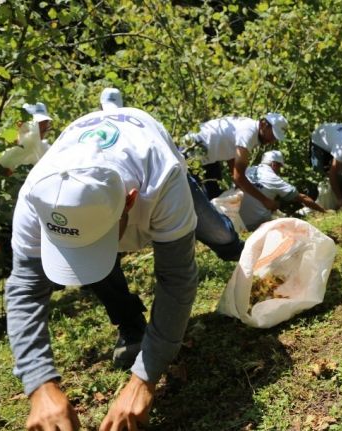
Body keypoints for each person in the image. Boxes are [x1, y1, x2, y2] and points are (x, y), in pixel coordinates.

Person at [5, 107, 199, 430]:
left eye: (97, 240)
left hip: (156, 160)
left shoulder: (162, 177)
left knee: (213, 229)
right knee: (97, 269)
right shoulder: (34, 196)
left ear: (130, 201)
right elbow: (24, 290)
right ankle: (132, 325)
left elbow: (177, 279)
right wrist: (40, 385)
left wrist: (144, 379)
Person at [86, 89, 243, 370]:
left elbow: (176, 277)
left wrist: (149, 368)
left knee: (220, 234)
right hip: (113, 197)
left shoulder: (156, 161)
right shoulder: (65, 178)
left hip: (170, 181)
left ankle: (243, 255)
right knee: (95, 261)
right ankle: (131, 324)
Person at [182, 113, 289, 209]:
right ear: (263, 124)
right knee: (194, 199)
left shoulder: (250, 130)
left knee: (214, 197)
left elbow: (232, 155)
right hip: (190, 152)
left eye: (276, 138)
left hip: (208, 157)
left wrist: (238, 183)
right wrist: (265, 201)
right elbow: (239, 177)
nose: (272, 141)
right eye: (273, 135)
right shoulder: (248, 133)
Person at [239, 150, 325, 230]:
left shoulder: (247, 170)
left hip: (240, 222)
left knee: (275, 203)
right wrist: (323, 211)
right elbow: (302, 198)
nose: (279, 171)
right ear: (273, 164)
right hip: (257, 223)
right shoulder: (273, 178)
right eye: (279, 167)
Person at [0, 102, 53, 177]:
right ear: (21, 124)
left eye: (45, 129)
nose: (41, 136)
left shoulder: (45, 150)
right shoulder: (3, 147)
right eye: (39, 128)